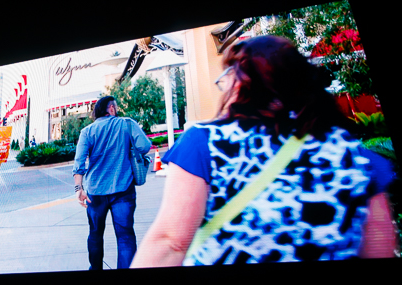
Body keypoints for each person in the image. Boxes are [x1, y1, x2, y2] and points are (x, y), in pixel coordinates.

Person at [130, 36, 398, 268]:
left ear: (239, 83)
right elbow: (378, 247)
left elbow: (171, 242)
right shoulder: (356, 156)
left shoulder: (205, 143)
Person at [73, 96, 152, 270]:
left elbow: (78, 163)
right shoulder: (127, 124)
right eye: (115, 107)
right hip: (123, 190)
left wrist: (79, 189)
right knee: (125, 236)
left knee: (95, 234)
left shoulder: (87, 131)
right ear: (110, 108)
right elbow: (145, 147)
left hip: (95, 192)